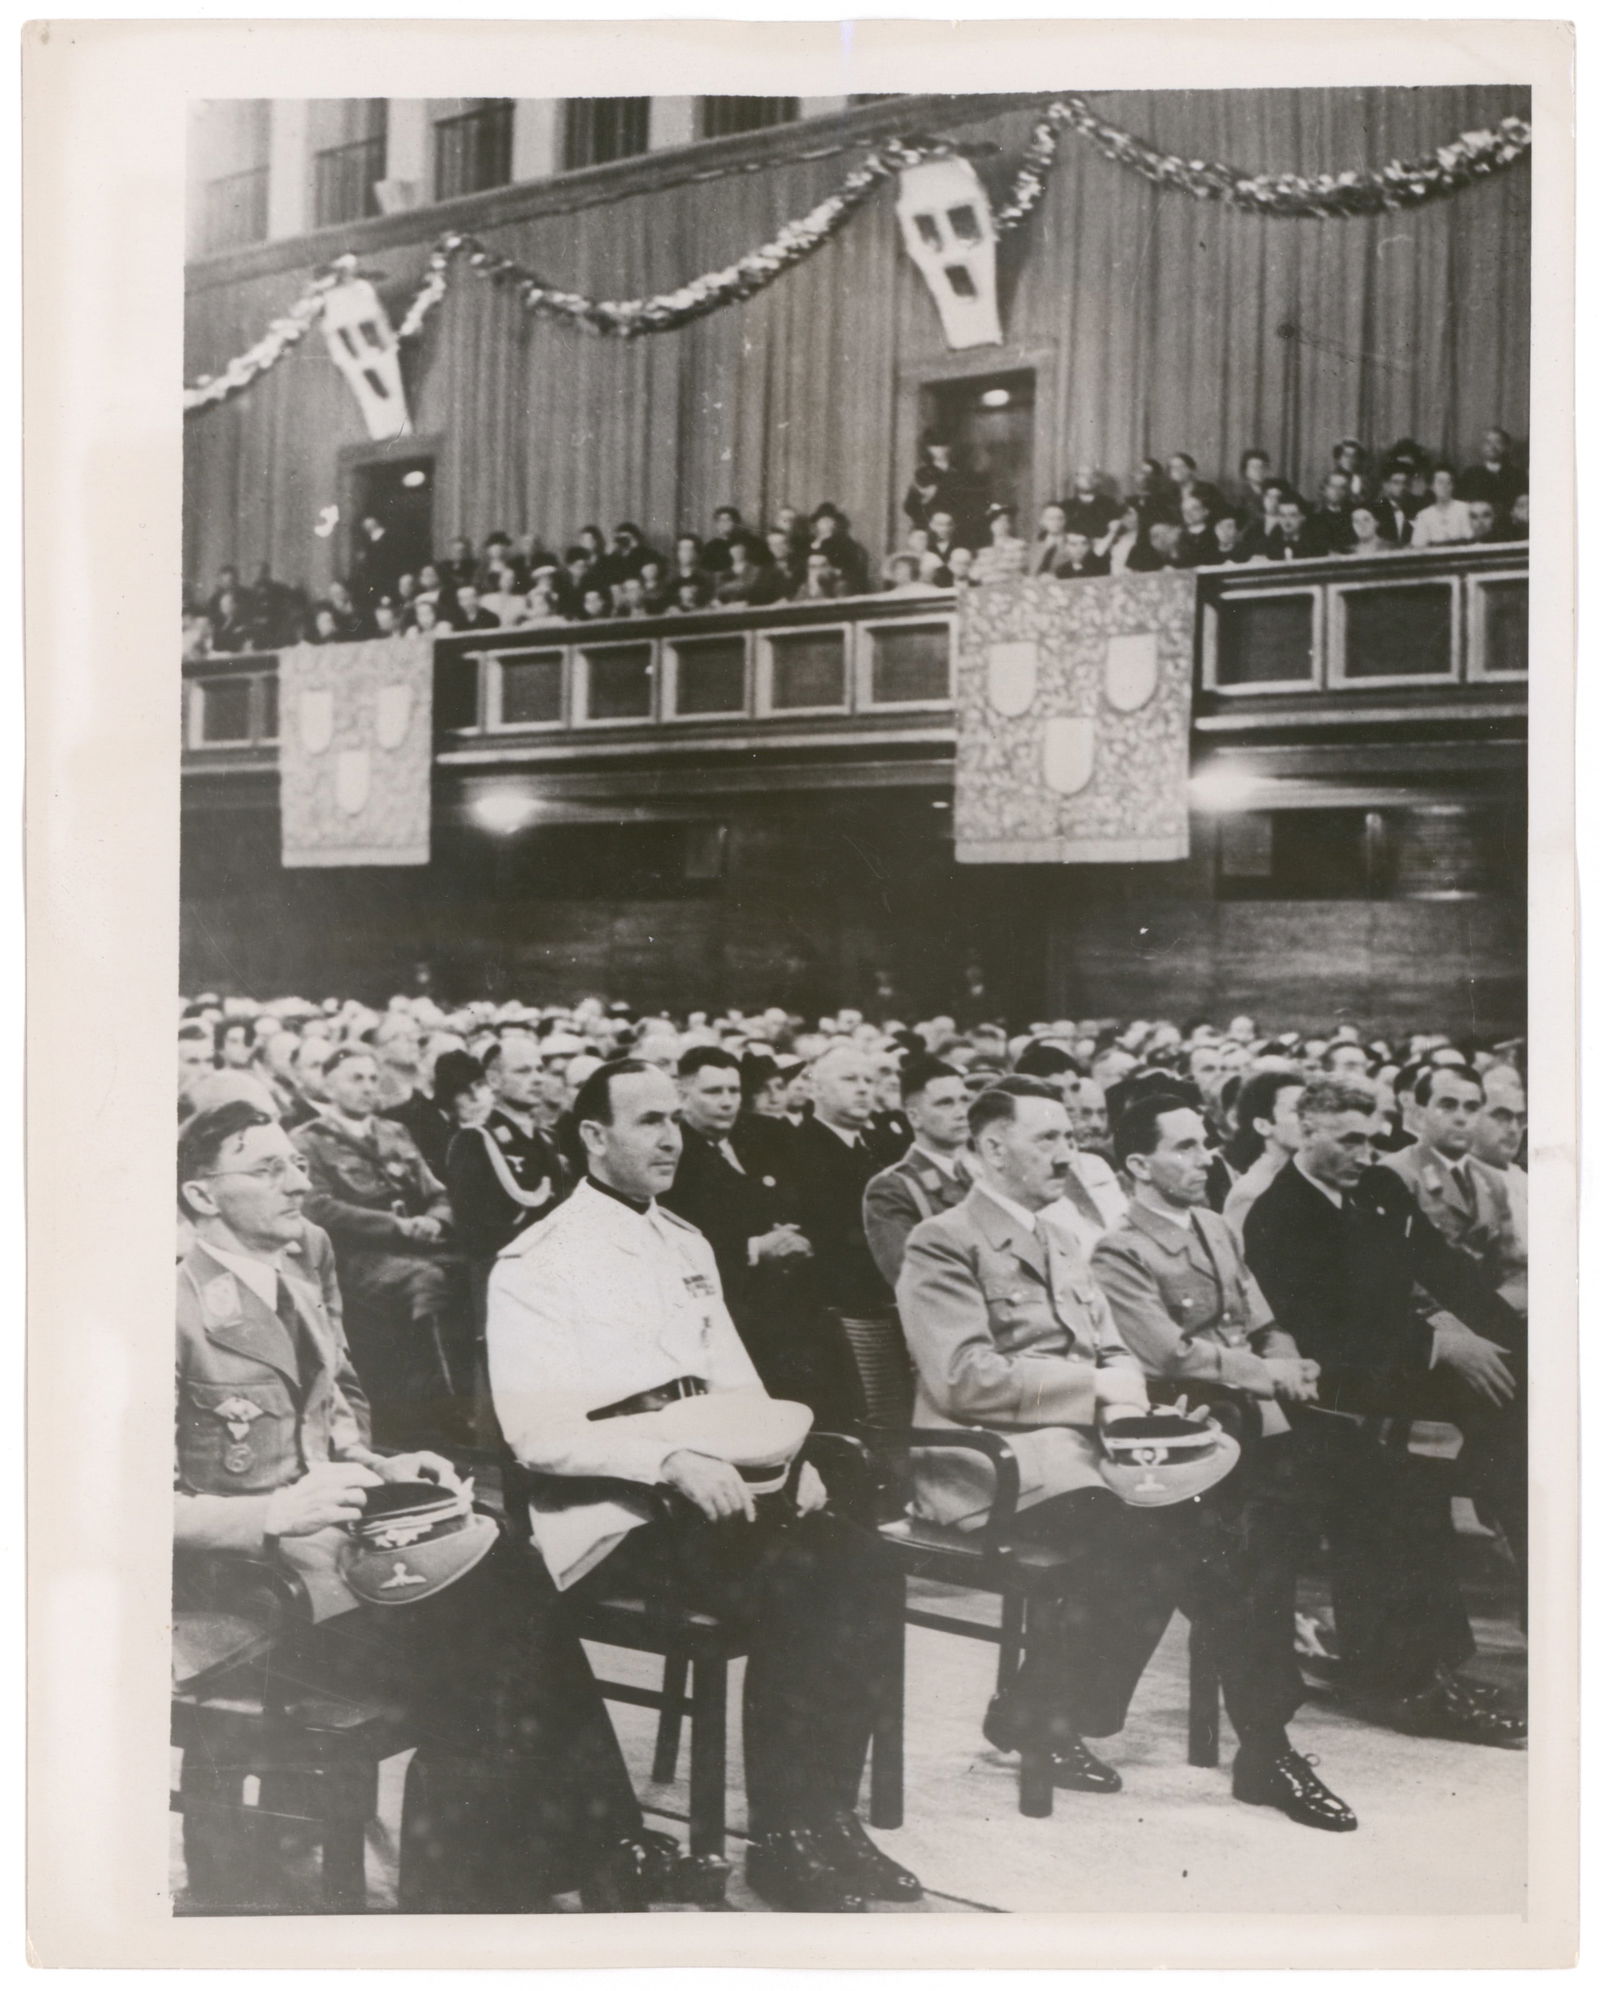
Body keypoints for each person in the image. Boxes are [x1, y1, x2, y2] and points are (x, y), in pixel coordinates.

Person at [173, 1100, 687, 1914]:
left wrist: (385, 1464)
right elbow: (121, 1508)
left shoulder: (298, 1280)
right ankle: (550, 1869)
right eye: (267, 1169)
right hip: (240, 1611)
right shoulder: (171, 1308)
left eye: (296, 1164)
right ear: (203, 1196)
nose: (297, 1182)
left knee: (502, 1600)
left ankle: (512, 1880)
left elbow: (324, 1438)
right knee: (498, 1630)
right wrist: (274, 1513)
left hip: (334, 1577)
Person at [487, 1060, 923, 1913]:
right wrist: (669, 1461)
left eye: (674, 1122)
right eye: (648, 1121)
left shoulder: (685, 1242)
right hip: (611, 1512)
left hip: (718, 1490)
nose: (669, 1138)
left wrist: (786, 1464)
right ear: (592, 1136)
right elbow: (537, 1433)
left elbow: (736, 1386)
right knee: (801, 1581)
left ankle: (820, 1819)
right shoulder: (537, 1259)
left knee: (864, 1562)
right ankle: (786, 1842)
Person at [896, 1078, 1194, 1800]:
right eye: (1049, 1138)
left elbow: (1113, 1348)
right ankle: (1045, 1717)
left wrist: (1123, 1402)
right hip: (978, 1461)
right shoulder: (942, 1239)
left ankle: (1038, 1709)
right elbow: (964, 1378)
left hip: (1074, 1454)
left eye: (1070, 1136)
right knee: (1140, 1531)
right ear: (994, 1148)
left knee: (1187, 1516)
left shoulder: (1062, 1237)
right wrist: (1094, 1390)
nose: (1070, 1151)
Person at [1090, 1097, 1356, 1830]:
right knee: (1242, 1568)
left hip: (1248, 1427)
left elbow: (1264, 1319)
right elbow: (1166, 1355)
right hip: (1180, 1435)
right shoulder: (1120, 1249)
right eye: (1182, 1146)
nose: (1203, 1156)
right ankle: (1266, 1749)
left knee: (1257, 1559)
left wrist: (1284, 1358)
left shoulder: (1212, 1225)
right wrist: (1262, 1372)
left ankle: (1040, 1707)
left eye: (1204, 1142)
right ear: (1139, 1165)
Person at [1243, 1080, 1527, 1738]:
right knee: (1401, 1470)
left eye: (1373, 1139)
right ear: (1305, 1130)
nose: (1365, 1153)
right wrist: (1441, 1343)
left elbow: (1451, 1272)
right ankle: (1406, 1674)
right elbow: (1321, 1334)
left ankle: (1438, 1657)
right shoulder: (1279, 1214)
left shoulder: (1380, 1190)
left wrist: (1519, 1350)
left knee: (1524, 1405)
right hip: (1323, 1390)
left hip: (1393, 1375)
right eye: (1348, 1139)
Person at [292, 1048, 466, 1447]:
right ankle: (443, 1405)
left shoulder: (395, 1133)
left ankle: (470, 1399)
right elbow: (317, 1207)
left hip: (414, 1247)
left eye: (373, 1079)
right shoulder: (309, 1142)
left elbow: (436, 1191)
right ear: (329, 1085)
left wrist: (435, 1219)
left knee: (473, 1273)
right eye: (356, 1079)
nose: (368, 1087)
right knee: (426, 1281)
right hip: (352, 1258)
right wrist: (395, 1226)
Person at [660, 1045, 829, 1409]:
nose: (727, 1102)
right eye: (713, 1092)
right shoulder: (672, 1153)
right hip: (731, 1312)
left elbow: (807, 1196)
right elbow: (678, 1240)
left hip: (791, 1306)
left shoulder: (761, 1135)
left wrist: (796, 1236)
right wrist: (755, 1248)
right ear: (682, 1094)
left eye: (733, 1091)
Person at [769, 1043, 893, 1427]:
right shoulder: (792, 1148)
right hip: (835, 1316)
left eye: (869, 1080)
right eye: (849, 1079)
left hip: (879, 1307)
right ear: (816, 1089)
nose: (862, 1089)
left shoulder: (877, 1150)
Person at [1380, 1065, 1524, 1314]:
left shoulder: (1490, 1180)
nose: (1461, 1117)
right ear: (1420, 1113)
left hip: (1493, 1316)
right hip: (1431, 1327)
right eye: (1447, 1105)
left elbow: (1513, 1267)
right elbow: (1393, 1278)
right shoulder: (1394, 1173)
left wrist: (1498, 1313)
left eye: (1471, 1107)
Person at [861, 1057, 971, 1288]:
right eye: (945, 1103)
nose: (962, 1112)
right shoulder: (892, 1188)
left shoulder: (978, 1175)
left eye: (964, 1100)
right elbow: (913, 1278)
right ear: (914, 1117)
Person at [1222, 1069, 1306, 1239]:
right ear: (1263, 1125)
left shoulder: (1307, 1176)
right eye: (1296, 1111)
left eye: (1311, 1109)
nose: (1309, 1120)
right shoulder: (1252, 1191)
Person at [1409, 467, 1474, 548]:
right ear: (1432, 487)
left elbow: (1470, 538)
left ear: (1453, 486)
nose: (1444, 486)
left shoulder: (1465, 509)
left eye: (1448, 483)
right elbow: (1418, 545)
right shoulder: (1424, 515)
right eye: (1440, 482)